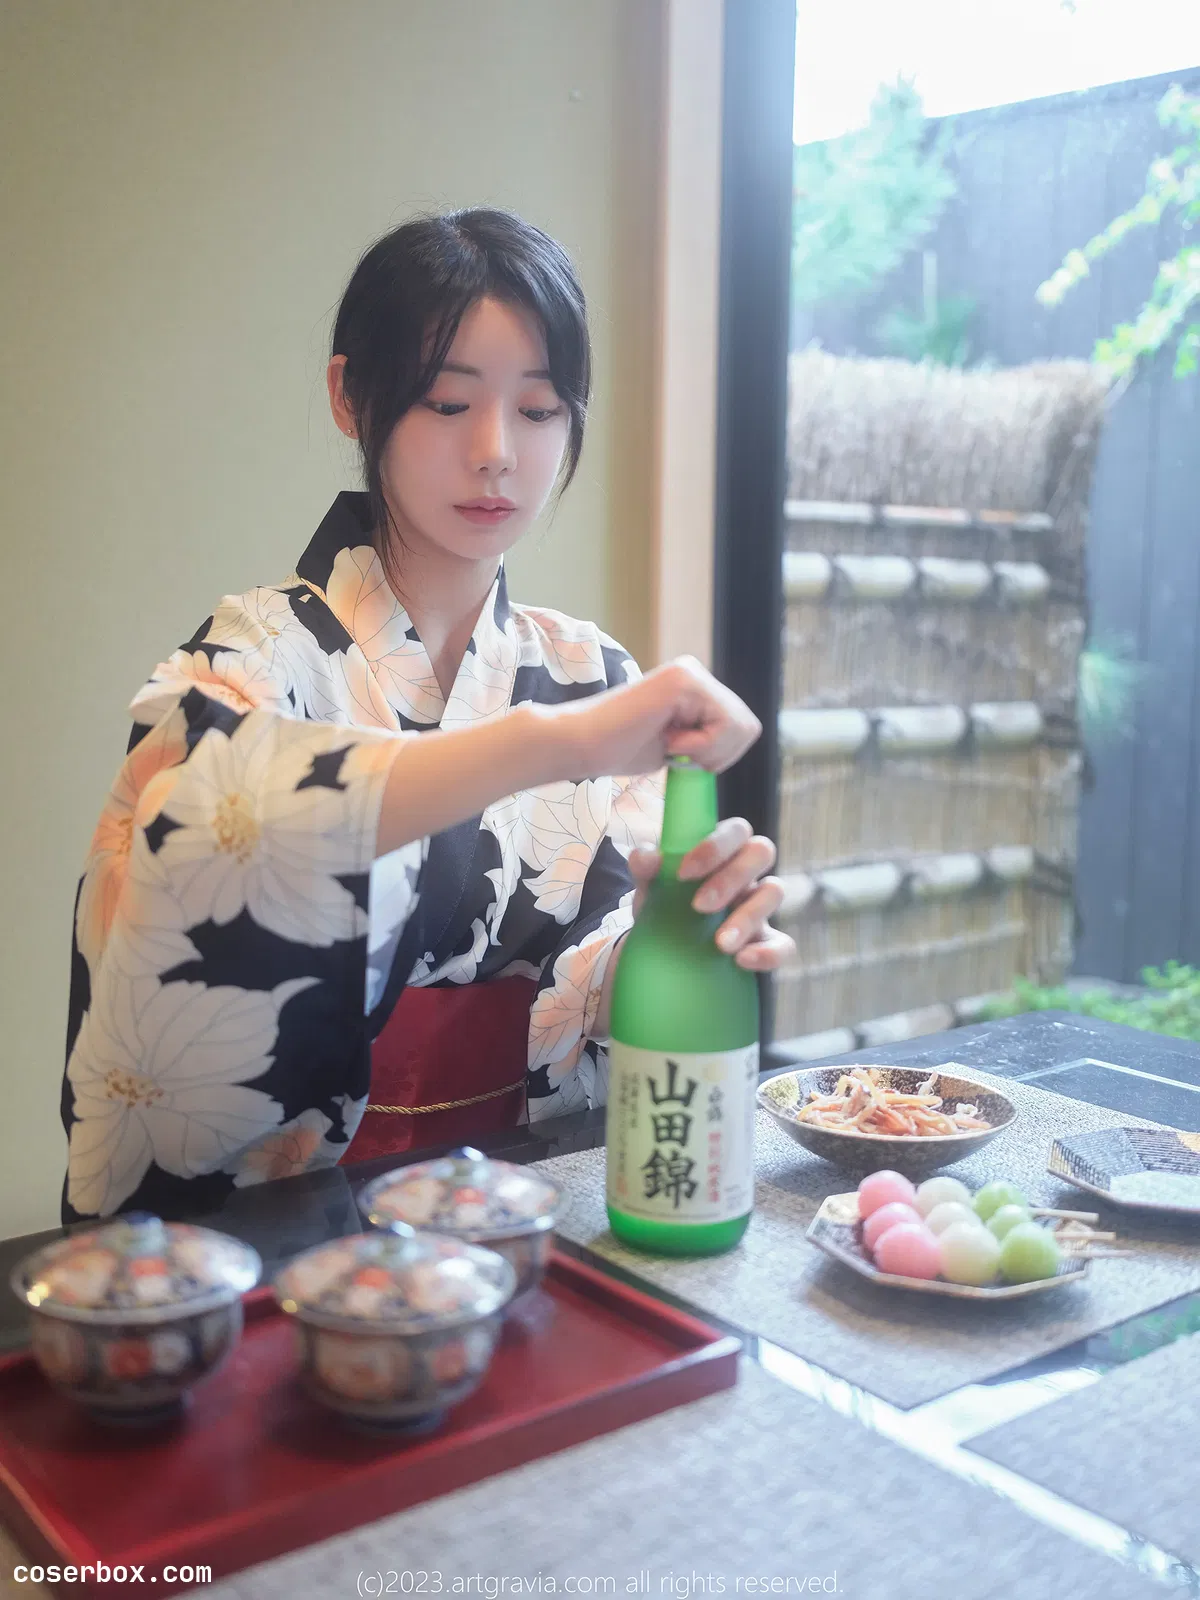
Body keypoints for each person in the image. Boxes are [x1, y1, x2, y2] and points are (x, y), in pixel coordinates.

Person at [61, 208, 794, 1223]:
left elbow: (598, 1001)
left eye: (539, 409)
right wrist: (545, 744)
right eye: (449, 402)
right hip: (299, 1231)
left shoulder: (591, 674)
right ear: (350, 396)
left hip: (529, 1213)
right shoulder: (250, 659)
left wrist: (679, 941)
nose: (496, 452)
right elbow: (194, 867)